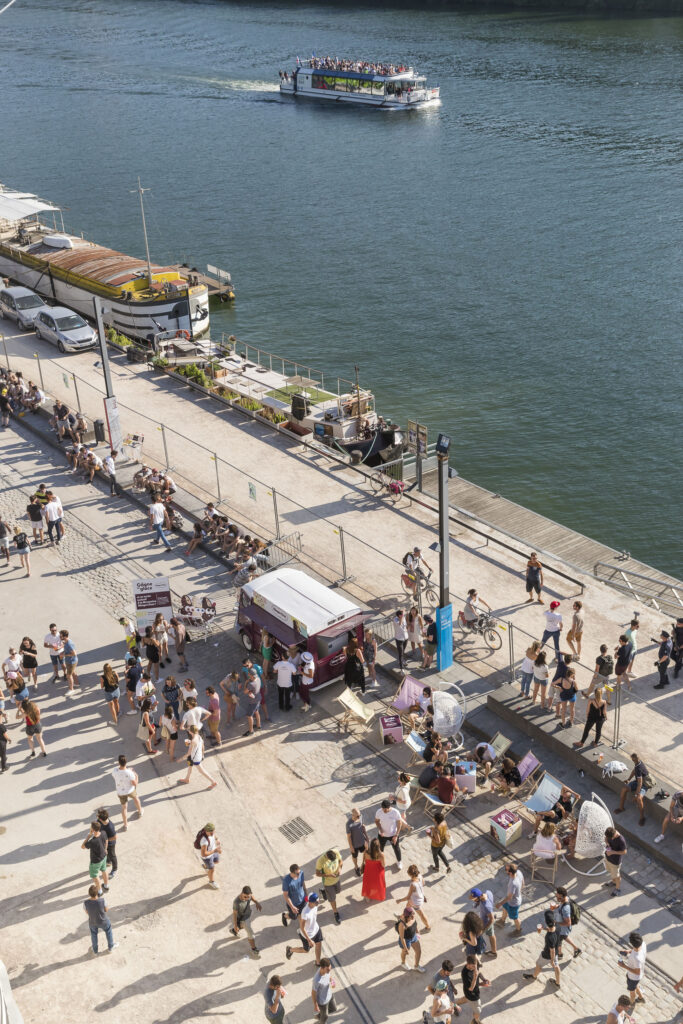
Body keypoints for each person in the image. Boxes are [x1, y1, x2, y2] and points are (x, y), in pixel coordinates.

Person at [523, 910, 560, 988]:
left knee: (538, 964)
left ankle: (534, 976)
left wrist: (552, 960)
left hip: (547, 955)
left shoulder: (550, 937)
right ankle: (557, 983)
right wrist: (543, 929)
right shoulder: (557, 925)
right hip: (557, 951)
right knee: (556, 966)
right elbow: (551, 928)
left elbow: (552, 951)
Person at [614, 751, 650, 825]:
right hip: (638, 782)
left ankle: (642, 817)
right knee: (624, 789)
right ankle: (621, 808)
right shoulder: (638, 763)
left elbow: (640, 784)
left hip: (644, 784)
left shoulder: (639, 768)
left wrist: (636, 795)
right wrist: (629, 779)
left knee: (639, 799)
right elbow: (634, 771)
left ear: (634, 759)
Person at [286, 891, 323, 963]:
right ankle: (290, 949)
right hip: (307, 935)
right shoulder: (305, 913)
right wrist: (309, 940)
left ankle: (318, 962)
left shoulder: (315, 906)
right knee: (306, 950)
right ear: (310, 902)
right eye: (316, 902)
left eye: (318, 901)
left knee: (319, 944)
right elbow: (302, 928)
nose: (318, 903)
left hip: (316, 929)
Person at [83, 884, 118, 956]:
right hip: (103, 921)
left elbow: (87, 912)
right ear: (97, 893)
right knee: (108, 932)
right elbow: (106, 910)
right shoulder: (102, 900)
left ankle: (95, 951)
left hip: (92, 921)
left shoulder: (85, 903)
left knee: (94, 935)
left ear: (89, 894)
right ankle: (110, 948)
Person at [112, 754, 143, 830]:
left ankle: (125, 825)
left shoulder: (114, 770)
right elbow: (135, 783)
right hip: (130, 790)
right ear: (126, 762)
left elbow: (119, 773)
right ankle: (140, 811)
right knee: (136, 799)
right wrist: (136, 776)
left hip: (120, 792)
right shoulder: (130, 773)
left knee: (124, 808)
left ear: (118, 762)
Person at [396, 864, 430, 930]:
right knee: (407, 907)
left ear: (410, 874)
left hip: (415, 902)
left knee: (421, 914)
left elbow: (408, 897)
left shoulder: (413, 884)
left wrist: (399, 900)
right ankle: (401, 917)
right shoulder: (419, 875)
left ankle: (428, 927)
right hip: (419, 898)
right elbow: (423, 883)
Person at [551, 886, 581, 959]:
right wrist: (557, 906)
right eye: (556, 896)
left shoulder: (565, 909)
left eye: (559, 898)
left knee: (557, 941)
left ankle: (560, 955)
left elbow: (568, 923)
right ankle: (576, 949)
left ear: (563, 896)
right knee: (564, 937)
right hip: (563, 929)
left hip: (563, 928)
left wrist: (556, 922)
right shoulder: (566, 898)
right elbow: (562, 904)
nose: (557, 899)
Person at [375, 799, 406, 871]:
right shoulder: (379, 812)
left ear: (390, 807)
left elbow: (399, 823)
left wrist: (396, 835)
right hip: (382, 835)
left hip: (393, 835)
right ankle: (380, 861)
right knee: (380, 849)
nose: (384, 811)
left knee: (396, 849)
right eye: (383, 809)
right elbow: (376, 821)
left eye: (386, 810)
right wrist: (380, 829)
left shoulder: (395, 812)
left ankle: (399, 861)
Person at [231, 885, 262, 957]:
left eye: (248, 897)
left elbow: (251, 897)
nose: (246, 899)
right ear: (242, 893)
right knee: (250, 933)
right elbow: (235, 914)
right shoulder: (236, 902)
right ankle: (254, 949)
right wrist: (235, 925)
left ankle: (234, 930)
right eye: (245, 897)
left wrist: (257, 902)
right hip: (242, 919)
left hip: (247, 915)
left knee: (242, 927)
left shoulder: (248, 896)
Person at [618, 931, 646, 1007]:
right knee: (635, 986)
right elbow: (635, 949)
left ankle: (631, 1004)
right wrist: (628, 951)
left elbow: (637, 972)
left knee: (632, 992)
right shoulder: (642, 944)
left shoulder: (637, 958)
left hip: (633, 977)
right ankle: (641, 998)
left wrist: (623, 966)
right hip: (635, 977)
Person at [315, 848, 343, 923]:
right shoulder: (320, 861)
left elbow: (340, 861)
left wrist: (340, 868)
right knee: (332, 899)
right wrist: (328, 875)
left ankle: (324, 892)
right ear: (327, 857)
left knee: (338, 891)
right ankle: (336, 913)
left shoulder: (336, 851)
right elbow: (317, 873)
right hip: (328, 883)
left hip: (336, 879)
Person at [81, 820, 109, 894]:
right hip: (104, 857)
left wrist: (89, 835)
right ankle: (106, 886)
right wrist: (105, 849)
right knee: (104, 870)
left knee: (95, 876)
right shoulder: (103, 833)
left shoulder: (93, 841)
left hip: (96, 861)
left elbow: (83, 846)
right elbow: (106, 841)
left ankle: (99, 891)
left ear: (92, 829)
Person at [496, 862, 523, 934]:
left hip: (513, 903)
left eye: (506, 869)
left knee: (515, 918)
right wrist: (519, 892)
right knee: (505, 908)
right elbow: (523, 883)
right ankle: (502, 921)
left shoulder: (513, 883)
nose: (505, 871)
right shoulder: (519, 872)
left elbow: (509, 897)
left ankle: (518, 930)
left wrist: (500, 904)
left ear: (510, 872)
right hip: (513, 900)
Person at [469, 888, 497, 958]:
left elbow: (492, 919)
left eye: (474, 899)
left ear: (479, 897)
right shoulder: (487, 892)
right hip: (483, 918)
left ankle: (493, 952)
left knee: (486, 935)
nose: (474, 900)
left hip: (486, 922)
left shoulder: (486, 906)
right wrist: (477, 903)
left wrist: (483, 929)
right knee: (490, 935)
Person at [456, 955, 484, 1022]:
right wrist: (475, 978)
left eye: (475, 966)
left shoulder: (474, 964)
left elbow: (478, 973)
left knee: (466, 998)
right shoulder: (465, 974)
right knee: (478, 1011)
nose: (475, 968)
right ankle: (475, 1021)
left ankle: (455, 1004)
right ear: (467, 964)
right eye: (473, 966)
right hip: (472, 995)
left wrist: (484, 979)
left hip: (470, 993)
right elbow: (471, 989)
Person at [397, 906, 424, 972]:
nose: (413, 917)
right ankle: (403, 963)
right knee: (404, 952)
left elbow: (415, 924)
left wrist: (417, 932)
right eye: (411, 916)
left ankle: (416, 966)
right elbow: (402, 938)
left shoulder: (413, 918)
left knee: (419, 951)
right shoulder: (402, 924)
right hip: (406, 940)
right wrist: (406, 948)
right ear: (406, 916)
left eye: (413, 914)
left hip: (413, 936)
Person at [311, 958, 337, 1022]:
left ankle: (319, 1015)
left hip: (329, 995)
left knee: (334, 1008)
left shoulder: (327, 971)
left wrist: (332, 981)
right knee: (325, 1017)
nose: (329, 971)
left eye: (330, 968)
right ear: (322, 968)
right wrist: (315, 1005)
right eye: (327, 969)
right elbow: (313, 993)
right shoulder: (316, 980)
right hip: (322, 1002)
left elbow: (329, 976)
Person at [603, 826, 627, 894]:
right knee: (611, 872)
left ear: (614, 834)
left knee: (617, 876)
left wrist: (613, 852)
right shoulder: (609, 834)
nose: (611, 839)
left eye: (611, 838)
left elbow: (624, 852)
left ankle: (617, 888)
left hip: (615, 862)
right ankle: (613, 882)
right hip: (608, 858)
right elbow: (605, 838)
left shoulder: (621, 840)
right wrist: (607, 843)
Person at [346, 807, 368, 877]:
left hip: (362, 841)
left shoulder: (360, 817)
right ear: (353, 815)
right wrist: (351, 847)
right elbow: (349, 837)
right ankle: (356, 867)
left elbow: (363, 827)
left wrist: (367, 837)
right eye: (357, 816)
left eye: (359, 815)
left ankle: (363, 864)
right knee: (355, 856)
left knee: (365, 852)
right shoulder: (348, 824)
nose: (359, 816)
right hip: (354, 845)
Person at [199, 823, 222, 890]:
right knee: (212, 869)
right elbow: (204, 854)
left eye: (213, 831)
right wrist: (215, 851)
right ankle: (211, 882)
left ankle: (206, 866)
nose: (212, 833)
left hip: (213, 851)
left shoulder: (211, 833)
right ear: (206, 831)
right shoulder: (204, 841)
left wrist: (217, 840)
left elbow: (214, 836)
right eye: (210, 832)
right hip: (207, 857)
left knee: (217, 861)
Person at [97, 808, 118, 880]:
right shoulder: (99, 821)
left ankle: (114, 869)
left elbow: (114, 837)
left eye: (98, 816)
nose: (97, 816)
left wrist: (105, 839)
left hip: (110, 844)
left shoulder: (110, 827)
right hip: (104, 842)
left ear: (101, 818)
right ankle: (108, 862)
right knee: (106, 853)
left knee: (112, 855)